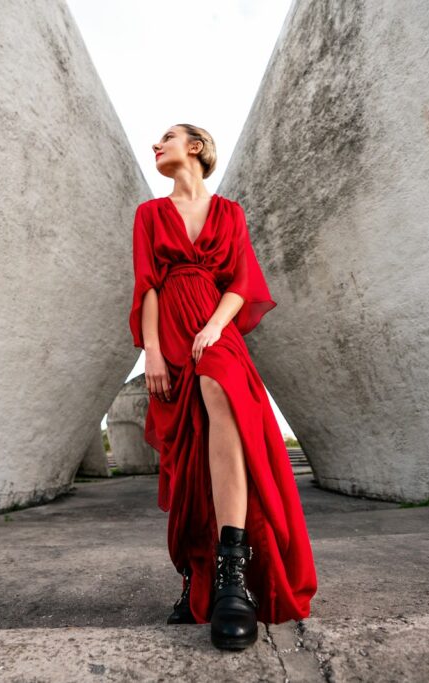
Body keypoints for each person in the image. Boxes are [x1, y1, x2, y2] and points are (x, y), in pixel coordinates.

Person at [129, 124, 318, 651]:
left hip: (215, 327)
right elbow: (146, 284)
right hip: (169, 330)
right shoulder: (148, 214)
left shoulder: (230, 212)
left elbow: (241, 282)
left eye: (167, 136)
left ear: (195, 147)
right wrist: (151, 352)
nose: (155, 145)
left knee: (223, 393)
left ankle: (232, 573)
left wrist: (214, 327)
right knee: (188, 457)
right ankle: (199, 576)